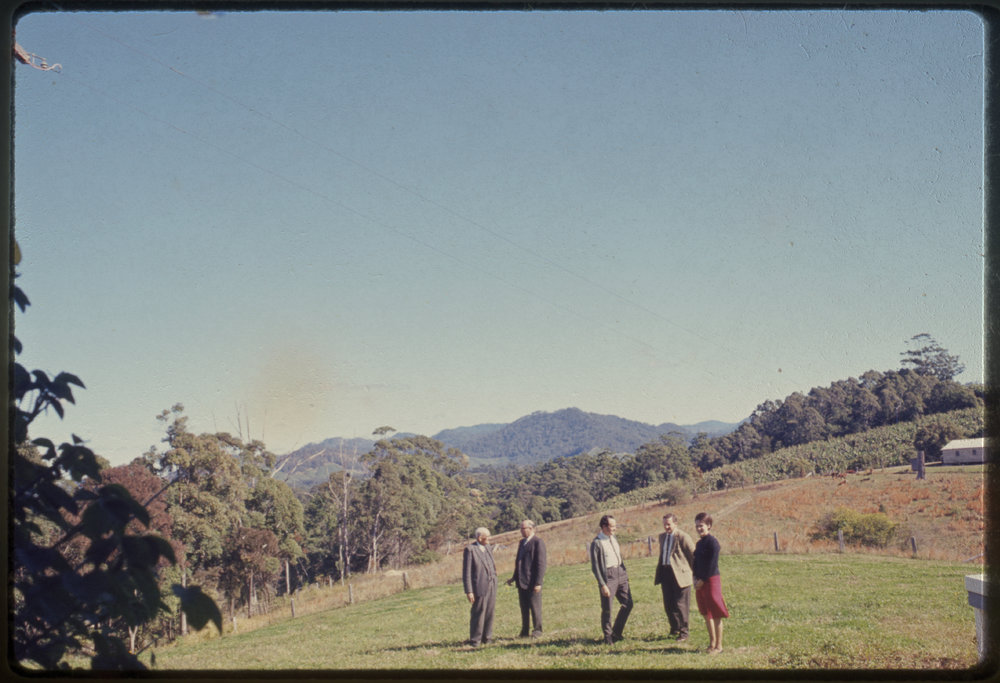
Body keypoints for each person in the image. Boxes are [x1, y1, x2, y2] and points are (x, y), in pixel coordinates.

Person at [589, 514, 633, 644]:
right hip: (608, 576)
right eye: (612, 526)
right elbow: (595, 567)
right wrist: (603, 585)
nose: (615, 528)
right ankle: (608, 638)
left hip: (620, 572)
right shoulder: (596, 543)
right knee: (607, 608)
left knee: (628, 603)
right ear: (604, 526)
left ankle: (616, 633)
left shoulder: (613, 538)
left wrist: (624, 572)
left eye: (615, 526)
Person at [654, 512, 696, 642]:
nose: (666, 527)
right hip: (666, 573)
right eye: (664, 524)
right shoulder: (662, 537)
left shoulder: (683, 537)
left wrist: (696, 574)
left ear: (675, 524)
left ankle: (684, 632)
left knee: (681, 604)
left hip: (681, 575)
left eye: (669, 524)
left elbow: (693, 556)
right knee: (669, 604)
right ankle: (675, 628)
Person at [692, 512, 729, 654]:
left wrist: (703, 580)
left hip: (711, 580)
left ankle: (719, 646)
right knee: (706, 613)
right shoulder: (699, 544)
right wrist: (695, 579)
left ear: (709, 526)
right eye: (697, 526)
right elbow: (695, 563)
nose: (699, 529)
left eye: (701, 526)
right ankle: (712, 643)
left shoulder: (713, 542)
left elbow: (712, 564)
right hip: (699, 581)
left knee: (715, 612)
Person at [506, 519, 547, 638]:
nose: (521, 531)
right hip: (521, 582)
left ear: (532, 528)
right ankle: (524, 632)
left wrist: (538, 582)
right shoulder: (521, 543)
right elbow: (519, 562)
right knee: (524, 609)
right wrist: (514, 578)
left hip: (532, 582)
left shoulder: (537, 542)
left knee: (535, 608)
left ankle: (537, 631)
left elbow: (541, 564)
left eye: (524, 529)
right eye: (521, 529)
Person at [462, 526, 497, 647]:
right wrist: (469, 591)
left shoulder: (487, 547)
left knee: (489, 612)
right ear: (479, 537)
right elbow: (466, 572)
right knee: (479, 612)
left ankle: (487, 638)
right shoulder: (470, 549)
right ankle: (475, 640)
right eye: (487, 537)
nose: (489, 539)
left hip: (492, 585)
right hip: (479, 586)